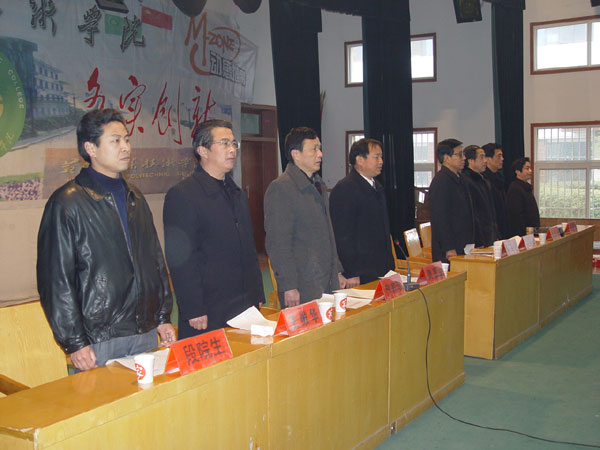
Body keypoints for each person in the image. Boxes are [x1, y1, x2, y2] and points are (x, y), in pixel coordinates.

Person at [37, 108, 175, 372]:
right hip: (99, 336)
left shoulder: (135, 197)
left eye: (127, 139)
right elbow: (56, 280)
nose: (125, 147)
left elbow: (155, 260)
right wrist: (75, 342)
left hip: (144, 330)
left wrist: (161, 316)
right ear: (91, 148)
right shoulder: (67, 203)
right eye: (115, 141)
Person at [163, 119, 264, 338]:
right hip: (208, 308)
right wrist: (193, 308)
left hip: (243, 304)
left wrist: (257, 294)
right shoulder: (183, 195)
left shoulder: (237, 194)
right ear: (202, 150)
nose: (232, 150)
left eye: (234, 144)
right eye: (224, 143)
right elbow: (181, 260)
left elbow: (249, 250)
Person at [264, 127, 355, 308]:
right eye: (313, 149)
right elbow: (278, 243)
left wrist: (337, 270)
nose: (320, 154)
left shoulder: (318, 184)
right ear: (296, 154)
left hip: (326, 277)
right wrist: (288, 285)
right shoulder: (281, 188)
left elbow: (329, 234)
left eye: (319, 148)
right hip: (302, 284)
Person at [329, 138, 395, 284]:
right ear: (359, 160)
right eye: (376, 157)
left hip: (380, 268)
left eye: (381, 157)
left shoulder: (377, 187)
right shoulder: (345, 189)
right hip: (360, 272)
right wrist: (351, 271)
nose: (381, 161)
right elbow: (342, 236)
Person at [427, 138, 474, 263]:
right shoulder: (441, 181)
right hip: (450, 248)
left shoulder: (460, 178)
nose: (464, 158)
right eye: (459, 154)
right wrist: (448, 247)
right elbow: (440, 218)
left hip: (464, 243)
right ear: (447, 158)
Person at [462, 145, 498, 247]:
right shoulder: (466, 181)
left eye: (485, 157)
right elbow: (475, 214)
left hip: (489, 234)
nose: (485, 161)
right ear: (471, 161)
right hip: (478, 238)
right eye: (481, 157)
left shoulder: (483, 179)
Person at [482, 143, 510, 239]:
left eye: (502, 156)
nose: (502, 159)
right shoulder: (483, 179)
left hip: (503, 226)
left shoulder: (500, 178)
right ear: (488, 159)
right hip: (491, 230)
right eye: (499, 156)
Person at [507, 157, 540, 236]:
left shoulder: (526, 187)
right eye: (527, 168)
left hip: (532, 231)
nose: (530, 171)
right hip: (522, 234)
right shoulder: (515, 188)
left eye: (530, 168)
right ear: (518, 172)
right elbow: (516, 215)